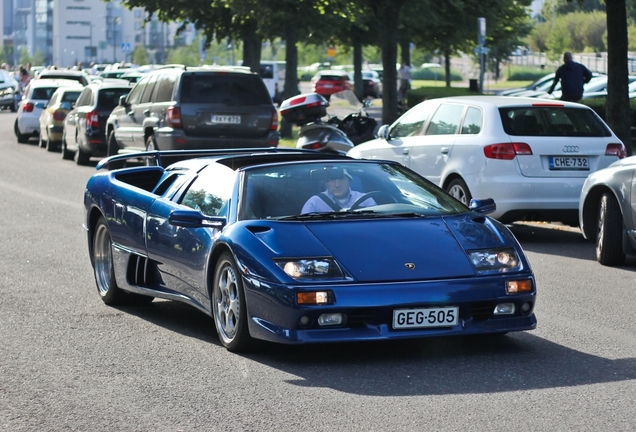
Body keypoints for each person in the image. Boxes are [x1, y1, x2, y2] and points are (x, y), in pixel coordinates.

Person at [301, 168, 376, 213]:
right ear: (326, 182)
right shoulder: (314, 202)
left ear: (349, 180)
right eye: (332, 180)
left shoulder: (366, 200)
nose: (337, 185)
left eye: (341, 179)